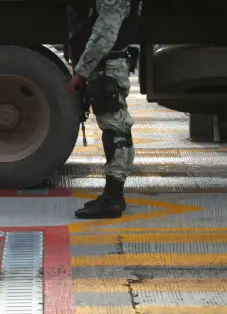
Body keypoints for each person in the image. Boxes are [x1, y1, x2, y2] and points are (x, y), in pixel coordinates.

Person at [67, 0, 141, 219]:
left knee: (115, 133)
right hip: (111, 66)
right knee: (120, 131)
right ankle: (114, 194)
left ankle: (113, 199)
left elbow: (104, 37)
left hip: (106, 68)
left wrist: (81, 72)